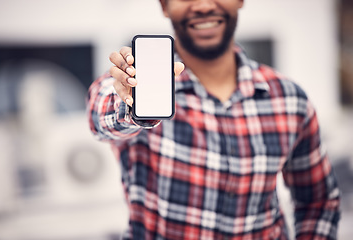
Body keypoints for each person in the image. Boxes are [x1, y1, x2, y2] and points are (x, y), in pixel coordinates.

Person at [87, 0, 340, 239]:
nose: (204, 5)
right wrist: (129, 103)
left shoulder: (289, 99)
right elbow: (101, 113)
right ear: (164, 5)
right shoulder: (134, 87)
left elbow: (318, 201)